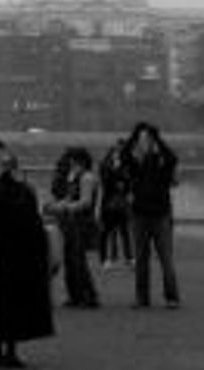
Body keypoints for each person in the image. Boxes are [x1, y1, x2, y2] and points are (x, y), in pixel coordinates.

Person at [0, 139, 54, 367]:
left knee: (16, 298)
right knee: (0, 299)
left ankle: (10, 348)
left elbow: (31, 218)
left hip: (21, 251)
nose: (3, 156)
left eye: (4, 153)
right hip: (1, 253)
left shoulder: (21, 188)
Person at [123, 120, 180, 308]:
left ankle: (168, 297)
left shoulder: (162, 164)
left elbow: (172, 158)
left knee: (163, 259)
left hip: (157, 215)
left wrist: (157, 139)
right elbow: (124, 154)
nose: (144, 143)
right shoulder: (135, 165)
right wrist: (135, 134)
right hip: (143, 214)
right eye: (142, 140)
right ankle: (146, 298)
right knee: (145, 260)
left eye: (147, 140)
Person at [45, 146, 101, 309]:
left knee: (78, 261)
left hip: (83, 223)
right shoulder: (74, 176)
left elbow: (86, 202)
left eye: (73, 161)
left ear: (80, 162)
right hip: (71, 222)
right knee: (70, 260)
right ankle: (75, 296)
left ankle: (89, 296)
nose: (70, 165)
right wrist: (55, 205)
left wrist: (65, 207)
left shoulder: (87, 177)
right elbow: (69, 198)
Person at [97, 140, 132, 268]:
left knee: (124, 231)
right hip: (108, 203)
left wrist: (123, 183)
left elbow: (128, 183)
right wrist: (116, 174)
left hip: (121, 203)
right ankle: (105, 259)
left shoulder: (126, 165)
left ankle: (128, 257)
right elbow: (105, 182)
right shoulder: (105, 165)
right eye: (116, 151)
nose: (118, 154)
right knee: (106, 232)